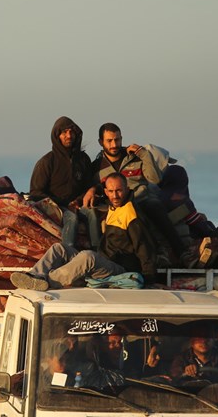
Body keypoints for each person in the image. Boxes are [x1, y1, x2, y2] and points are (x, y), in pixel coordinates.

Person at [11, 173, 156, 289]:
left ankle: (48, 282)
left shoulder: (131, 213)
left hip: (121, 269)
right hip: (104, 261)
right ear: (105, 192)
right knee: (59, 248)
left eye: (119, 191)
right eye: (111, 191)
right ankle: (34, 275)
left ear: (126, 189)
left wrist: (149, 280)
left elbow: (144, 247)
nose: (115, 195)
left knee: (88, 257)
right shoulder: (114, 207)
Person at [82, 123, 189, 260]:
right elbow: (97, 188)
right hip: (117, 206)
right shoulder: (96, 168)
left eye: (117, 139)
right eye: (109, 141)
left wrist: (144, 154)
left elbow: (155, 180)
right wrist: (92, 189)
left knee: (154, 206)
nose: (114, 144)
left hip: (141, 199)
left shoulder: (135, 157)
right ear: (101, 142)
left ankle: (182, 253)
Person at [29, 116, 95, 247]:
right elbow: (35, 192)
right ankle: (67, 254)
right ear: (57, 135)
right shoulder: (47, 161)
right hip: (55, 206)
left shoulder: (83, 159)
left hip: (78, 204)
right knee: (72, 219)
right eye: (64, 132)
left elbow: (88, 185)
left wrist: (78, 201)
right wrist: (63, 203)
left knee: (92, 214)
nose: (69, 135)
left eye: (71, 132)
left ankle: (97, 252)